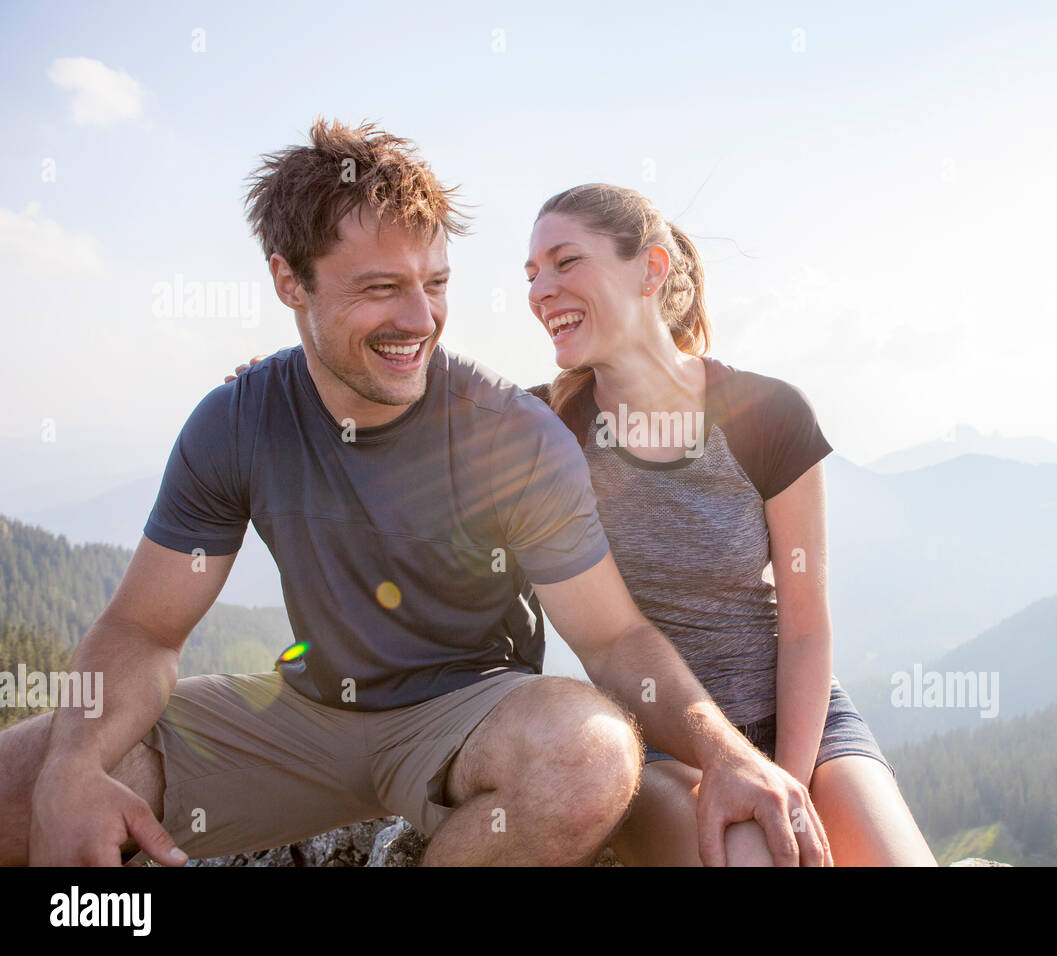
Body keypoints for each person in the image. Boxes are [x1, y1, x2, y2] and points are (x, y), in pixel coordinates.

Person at [0, 120, 833, 868]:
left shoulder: (512, 432)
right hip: (303, 710)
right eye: (378, 288)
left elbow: (614, 640)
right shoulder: (236, 420)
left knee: (587, 754)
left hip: (472, 714)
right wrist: (74, 770)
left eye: (435, 283)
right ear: (291, 283)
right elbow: (143, 629)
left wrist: (725, 756)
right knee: (27, 782)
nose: (421, 319)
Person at [522, 183, 938, 865]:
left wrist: (789, 787)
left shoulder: (768, 413)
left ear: (650, 270)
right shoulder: (549, 431)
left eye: (565, 262)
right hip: (659, 743)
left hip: (802, 722)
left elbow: (806, 627)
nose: (540, 289)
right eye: (532, 272)